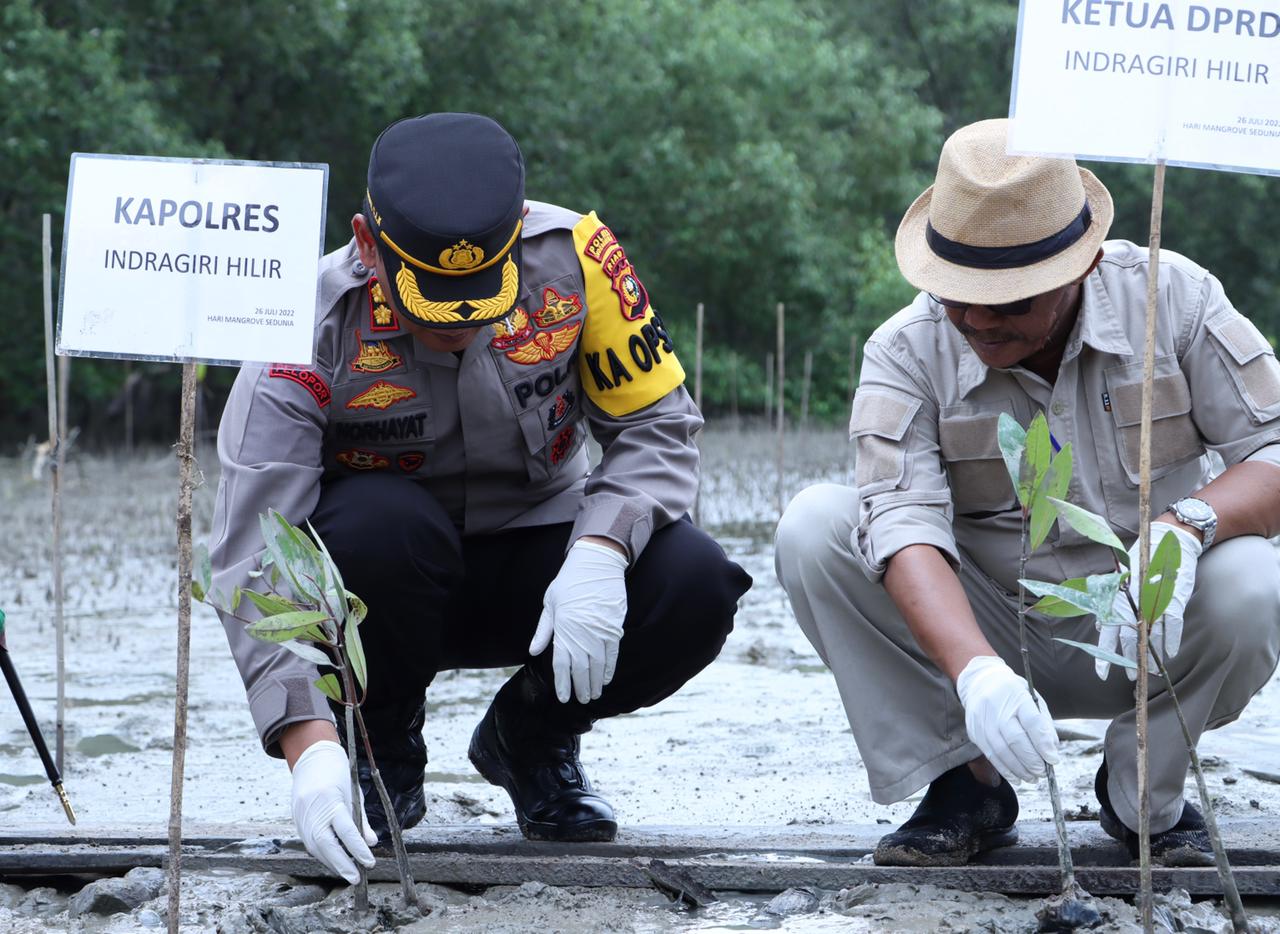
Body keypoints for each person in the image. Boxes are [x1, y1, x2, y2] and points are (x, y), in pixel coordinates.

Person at [209, 112, 751, 883]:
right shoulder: (305, 321)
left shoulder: (582, 262)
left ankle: (531, 738)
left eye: (480, 296)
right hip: (380, 595)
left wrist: (600, 551)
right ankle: (380, 745)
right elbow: (258, 545)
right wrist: (309, 742)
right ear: (369, 246)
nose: (458, 328)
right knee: (380, 524)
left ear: (518, 231)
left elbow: (659, 430)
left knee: (696, 580)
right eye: (431, 303)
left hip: (545, 572)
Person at [775, 118, 1280, 867]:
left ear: (1079, 268)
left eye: (1007, 302)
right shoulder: (906, 348)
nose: (977, 320)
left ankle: (1145, 792)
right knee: (814, 526)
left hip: (1147, 619)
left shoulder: (1173, 298)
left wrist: (1187, 523)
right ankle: (964, 780)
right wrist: (977, 675)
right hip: (989, 628)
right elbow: (900, 519)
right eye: (958, 296)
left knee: (1257, 581)